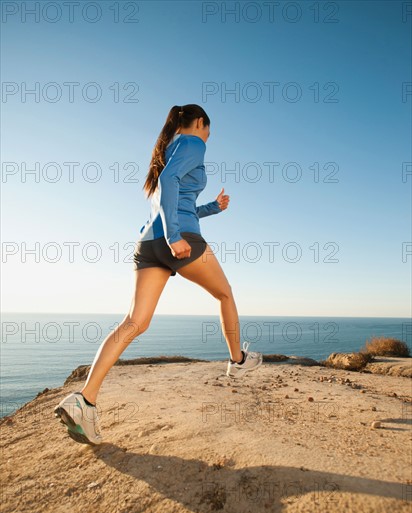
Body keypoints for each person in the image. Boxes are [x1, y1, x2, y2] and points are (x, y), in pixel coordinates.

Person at [54, 104, 263, 445]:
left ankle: (84, 400)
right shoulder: (194, 143)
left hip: (148, 242)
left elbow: (175, 198)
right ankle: (238, 360)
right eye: (209, 129)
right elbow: (170, 185)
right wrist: (174, 236)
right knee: (225, 294)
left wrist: (213, 207)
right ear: (199, 123)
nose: (209, 136)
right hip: (175, 238)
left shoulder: (165, 150)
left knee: (135, 321)